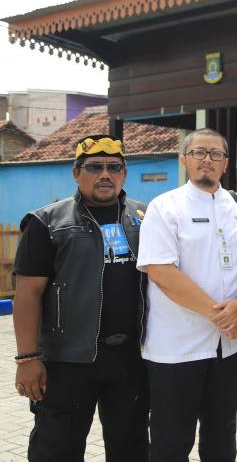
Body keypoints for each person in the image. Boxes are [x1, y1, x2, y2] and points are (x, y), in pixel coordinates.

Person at [12, 134, 149, 461]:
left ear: (124, 173)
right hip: (67, 360)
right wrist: (27, 359)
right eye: (94, 167)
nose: (105, 174)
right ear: (76, 173)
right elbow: (28, 294)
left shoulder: (145, 217)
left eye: (114, 167)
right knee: (57, 448)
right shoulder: (47, 222)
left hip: (131, 358)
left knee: (131, 448)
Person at [137, 127, 237, 462]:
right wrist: (221, 314)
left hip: (231, 345)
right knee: (171, 442)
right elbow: (161, 271)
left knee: (221, 436)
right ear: (184, 160)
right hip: (177, 347)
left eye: (216, 154)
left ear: (226, 163)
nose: (207, 160)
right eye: (199, 153)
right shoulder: (165, 207)